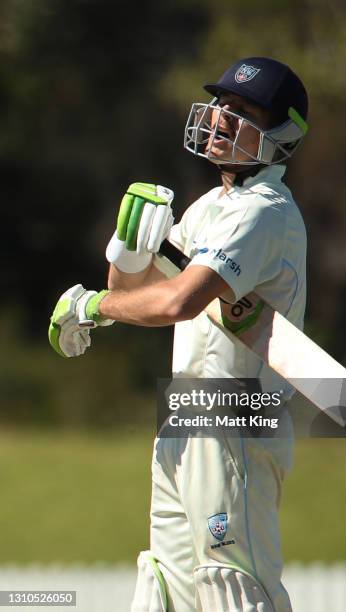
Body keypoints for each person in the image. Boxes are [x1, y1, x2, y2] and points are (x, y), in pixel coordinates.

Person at [49, 57, 309, 612]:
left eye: (239, 111)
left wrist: (92, 306)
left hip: (237, 416)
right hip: (184, 414)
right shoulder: (212, 207)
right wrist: (127, 249)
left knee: (232, 584)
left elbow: (179, 302)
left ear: (279, 133)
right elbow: (136, 291)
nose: (218, 118)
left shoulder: (264, 212)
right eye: (220, 106)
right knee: (167, 587)